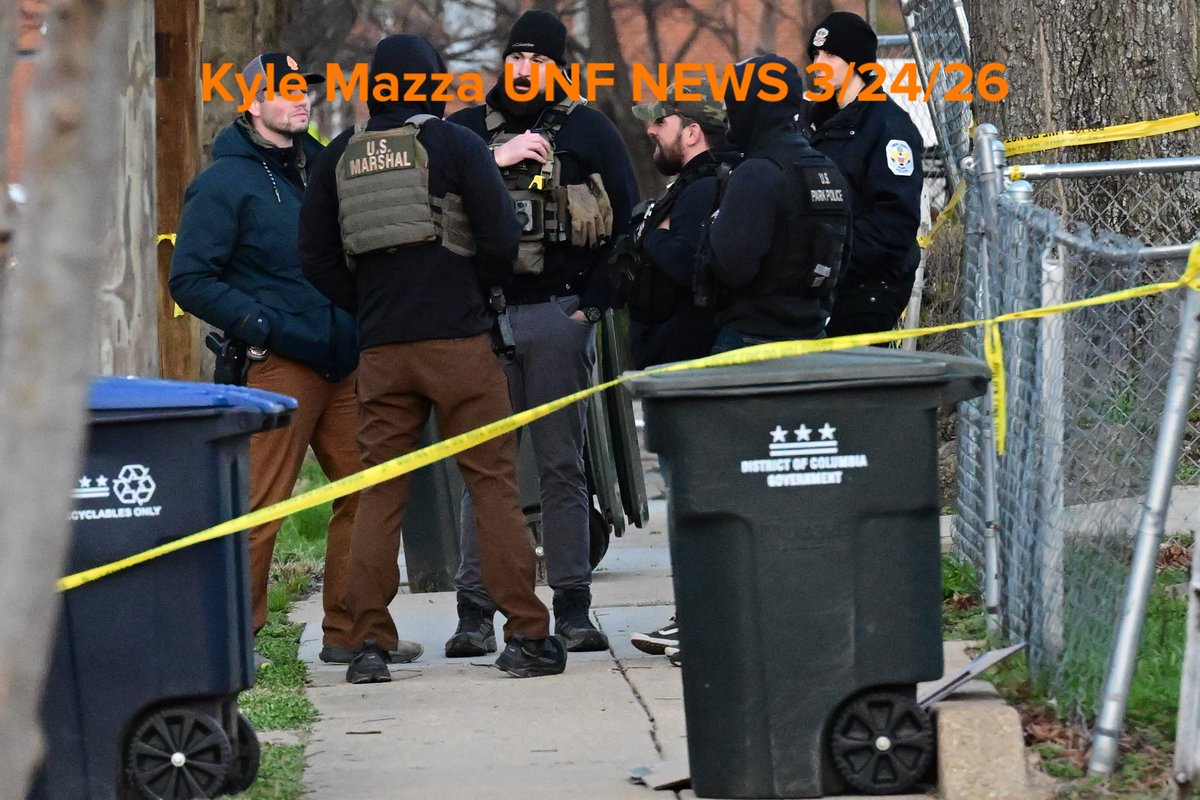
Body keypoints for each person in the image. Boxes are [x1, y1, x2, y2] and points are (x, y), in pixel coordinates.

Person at [298, 34, 565, 682]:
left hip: (383, 350)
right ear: (434, 88)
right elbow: (501, 238)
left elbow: (315, 257)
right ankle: (527, 635)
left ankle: (367, 644)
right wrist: (471, 287)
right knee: (492, 484)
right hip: (460, 344)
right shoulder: (455, 145)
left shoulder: (338, 155)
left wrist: (368, 305)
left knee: (377, 491)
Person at [169, 52, 382, 667]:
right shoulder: (223, 183)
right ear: (253, 102)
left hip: (344, 363)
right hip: (277, 368)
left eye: (305, 89)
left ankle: (347, 632)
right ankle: (235, 642)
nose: (301, 99)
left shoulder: (324, 167)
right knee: (263, 510)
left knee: (367, 491)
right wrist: (262, 326)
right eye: (285, 91)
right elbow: (190, 278)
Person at [444, 10, 639, 655]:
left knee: (561, 464)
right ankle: (474, 612)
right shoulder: (468, 130)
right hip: (484, 321)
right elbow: (429, 202)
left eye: (538, 59)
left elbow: (629, 223)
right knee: (486, 467)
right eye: (516, 57)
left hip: (557, 314)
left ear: (559, 65)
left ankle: (574, 606)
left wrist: (591, 304)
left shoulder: (588, 129)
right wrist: (489, 157)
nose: (524, 69)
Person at [705, 54, 852, 353]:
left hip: (751, 342)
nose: (724, 109)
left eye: (731, 98)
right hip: (814, 341)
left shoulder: (757, 173)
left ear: (751, 104)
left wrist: (712, 226)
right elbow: (843, 256)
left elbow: (732, 267)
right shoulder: (826, 169)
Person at [805, 11, 924, 337]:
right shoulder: (813, 124)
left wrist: (829, 258)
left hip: (867, 289)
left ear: (858, 63)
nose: (818, 63)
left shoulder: (888, 126)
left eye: (831, 55)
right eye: (815, 54)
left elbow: (894, 223)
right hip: (819, 287)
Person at [616, 80, 738, 369]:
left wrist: (653, 235)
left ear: (692, 132)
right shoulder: (699, 183)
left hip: (684, 365)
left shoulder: (704, 188)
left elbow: (687, 265)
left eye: (661, 121)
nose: (651, 130)